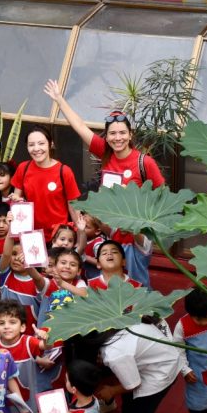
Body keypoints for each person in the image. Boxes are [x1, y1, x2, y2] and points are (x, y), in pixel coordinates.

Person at [44, 80, 165, 287]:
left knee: (137, 284)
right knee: (113, 281)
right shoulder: (106, 153)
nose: (118, 138)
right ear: (107, 137)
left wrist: (135, 203)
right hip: (111, 232)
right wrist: (59, 100)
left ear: (130, 135)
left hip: (135, 234)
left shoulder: (144, 162)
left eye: (122, 133)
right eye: (113, 133)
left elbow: (162, 195)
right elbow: (80, 127)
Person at [11, 126, 80, 234]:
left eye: (41, 143)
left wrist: (79, 234)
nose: (36, 148)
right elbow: (16, 200)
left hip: (58, 237)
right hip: (31, 236)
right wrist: (15, 200)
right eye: (31, 145)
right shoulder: (23, 168)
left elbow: (74, 207)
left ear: (50, 144)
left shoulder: (64, 171)